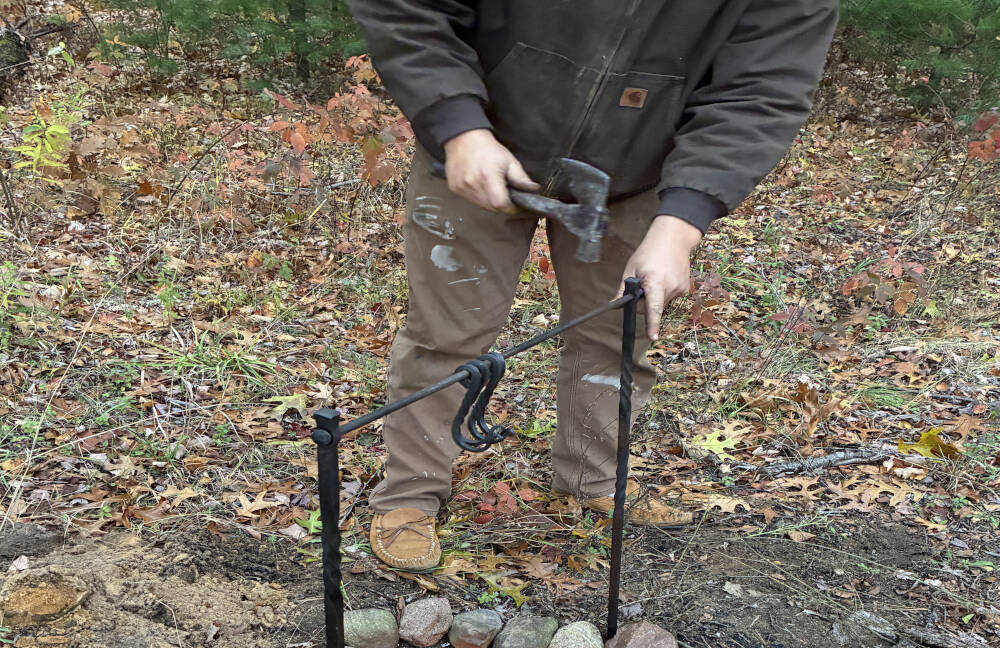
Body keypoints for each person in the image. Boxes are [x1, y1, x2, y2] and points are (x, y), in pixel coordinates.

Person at [346, 0, 839, 571]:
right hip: (480, 146)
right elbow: (409, 12)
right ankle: (409, 496)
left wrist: (682, 223)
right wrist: (457, 126)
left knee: (617, 331)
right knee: (447, 336)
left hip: (636, 173)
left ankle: (591, 482)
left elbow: (762, 91)